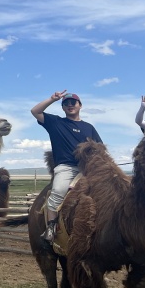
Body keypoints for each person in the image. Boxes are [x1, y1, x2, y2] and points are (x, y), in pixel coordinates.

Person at [31, 90, 103, 244]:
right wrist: (52, 99)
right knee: (58, 191)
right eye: (66, 104)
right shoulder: (56, 123)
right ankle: (51, 227)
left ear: (80, 105)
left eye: (73, 103)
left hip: (87, 168)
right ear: (63, 107)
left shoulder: (89, 127)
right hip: (66, 168)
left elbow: (100, 148)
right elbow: (35, 111)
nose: (70, 105)